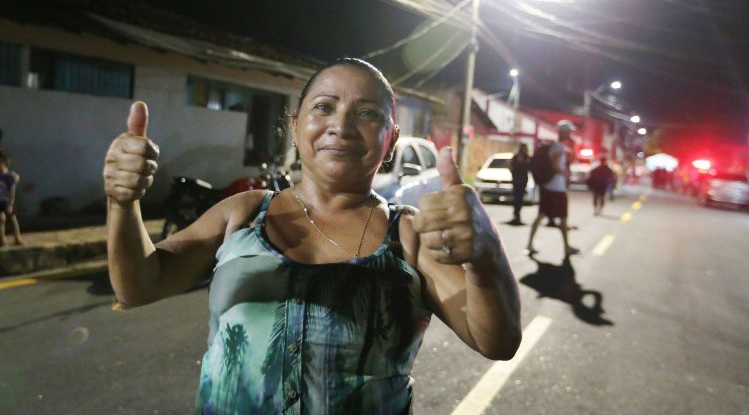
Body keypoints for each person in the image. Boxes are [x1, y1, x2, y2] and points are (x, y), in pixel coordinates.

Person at [103, 57, 521, 414]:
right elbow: (138, 286)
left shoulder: (408, 237)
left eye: (368, 113)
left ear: (390, 139)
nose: (341, 125)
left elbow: (495, 341)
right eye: (324, 107)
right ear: (295, 124)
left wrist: (485, 257)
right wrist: (123, 203)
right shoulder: (242, 214)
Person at [525, 120, 579, 257]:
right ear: (564, 132)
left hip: (548, 187)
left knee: (542, 215)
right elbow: (555, 166)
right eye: (569, 131)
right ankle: (566, 248)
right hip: (557, 189)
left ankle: (530, 244)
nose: (570, 134)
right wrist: (565, 173)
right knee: (563, 218)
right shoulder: (559, 147)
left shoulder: (554, 146)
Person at [0, 150, 23, 247]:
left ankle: (17, 238)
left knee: (13, 219)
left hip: (7, 201)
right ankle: (2, 240)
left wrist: (10, 204)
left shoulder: (9, 176)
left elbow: (12, 192)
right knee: (1, 219)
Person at [508, 143, 531, 225]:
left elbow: (510, 167)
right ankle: (516, 215)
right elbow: (510, 167)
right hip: (518, 180)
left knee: (518, 198)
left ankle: (516, 215)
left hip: (520, 180)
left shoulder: (525, 158)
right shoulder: (521, 158)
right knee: (518, 198)